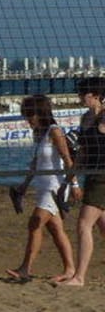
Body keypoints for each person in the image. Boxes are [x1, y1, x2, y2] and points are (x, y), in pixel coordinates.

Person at [8, 94, 75, 281]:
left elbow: (68, 160)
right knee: (56, 230)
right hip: (42, 187)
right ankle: (70, 269)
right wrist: (23, 186)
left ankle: (25, 269)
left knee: (34, 223)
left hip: (55, 187)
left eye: (30, 115)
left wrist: (74, 185)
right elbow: (35, 165)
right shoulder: (39, 134)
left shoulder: (55, 131)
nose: (28, 120)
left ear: (40, 113)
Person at [53, 77, 105, 286]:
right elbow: (83, 152)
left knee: (84, 224)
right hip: (91, 175)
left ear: (96, 96)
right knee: (102, 225)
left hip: (103, 176)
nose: (80, 97)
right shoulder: (85, 119)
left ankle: (79, 277)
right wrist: (69, 179)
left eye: (84, 94)